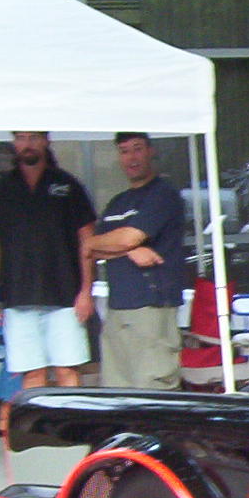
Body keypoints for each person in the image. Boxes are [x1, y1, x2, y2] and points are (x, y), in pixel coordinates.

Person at [0, 131, 96, 424]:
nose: (27, 144)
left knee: (67, 370)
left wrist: (86, 290)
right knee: (31, 375)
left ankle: (71, 432)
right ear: (14, 143)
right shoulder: (0, 188)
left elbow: (87, 240)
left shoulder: (67, 185)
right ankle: (39, 434)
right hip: (17, 297)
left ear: (46, 141)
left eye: (33, 138)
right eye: (21, 138)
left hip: (65, 296)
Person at [86, 132, 186, 389]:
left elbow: (129, 237)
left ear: (151, 151)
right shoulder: (117, 203)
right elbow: (90, 247)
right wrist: (129, 250)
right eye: (124, 151)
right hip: (117, 308)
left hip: (152, 306)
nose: (131, 157)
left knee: (153, 388)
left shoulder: (163, 194)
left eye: (137, 148)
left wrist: (123, 243)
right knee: (117, 390)